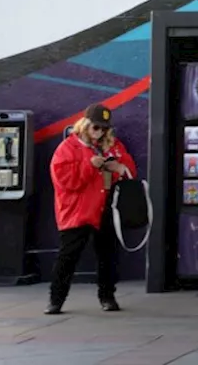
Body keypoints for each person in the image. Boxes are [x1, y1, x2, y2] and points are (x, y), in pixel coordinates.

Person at [45, 103, 137, 315]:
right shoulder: (67, 148)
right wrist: (90, 166)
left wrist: (119, 168)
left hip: (105, 208)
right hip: (78, 211)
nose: (100, 132)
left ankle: (107, 296)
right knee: (68, 256)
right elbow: (66, 181)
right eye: (96, 127)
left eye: (104, 128)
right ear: (84, 125)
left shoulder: (112, 145)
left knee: (108, 255)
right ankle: (56, 299)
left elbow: (130, 170)